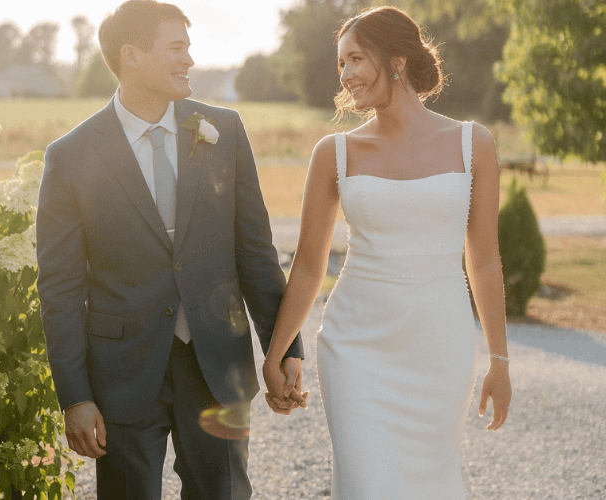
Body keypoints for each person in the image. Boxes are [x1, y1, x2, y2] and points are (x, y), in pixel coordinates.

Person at [36, 1, 305, 498]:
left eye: (189, 48)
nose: (189, 60)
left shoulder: (225, 132)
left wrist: (283, 347)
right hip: (123, 371)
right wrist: (75, 397)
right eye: (176, 48)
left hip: (215, 362)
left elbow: (255, 251)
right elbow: (60, 287)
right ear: (131, 56)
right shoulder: (70, 156)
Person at [262, 5, 512, 499]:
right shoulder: (333, 153)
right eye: (340, 64)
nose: (345, 74)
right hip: (356, 347)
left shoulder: (471, 143)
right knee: (366, 486)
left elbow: (483, 261)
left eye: (355, 58)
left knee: (431, 484)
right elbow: (310, 266)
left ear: (396, 60)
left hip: (439, 347)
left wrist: (500, 360)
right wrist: (277, 352)